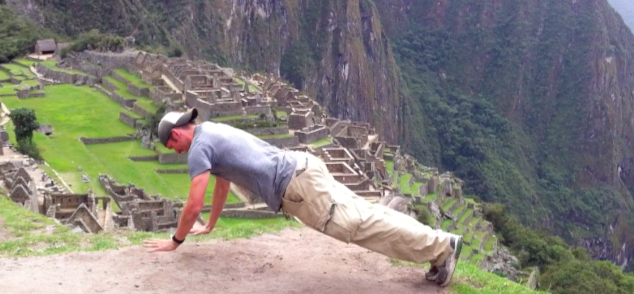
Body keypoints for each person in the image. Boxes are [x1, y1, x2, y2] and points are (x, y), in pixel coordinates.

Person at [142, 108, 463, 287]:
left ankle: (441, 246)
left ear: (175, 134)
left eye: (173, 147)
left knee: (361, 225)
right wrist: (211, 225)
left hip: (297, 189)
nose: (177, 152)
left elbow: (192, 203)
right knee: (366, 214)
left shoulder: (198, 150)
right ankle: (436, 247)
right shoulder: (211, 131)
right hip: (302, 166)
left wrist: (176, 241)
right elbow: (222, 183)